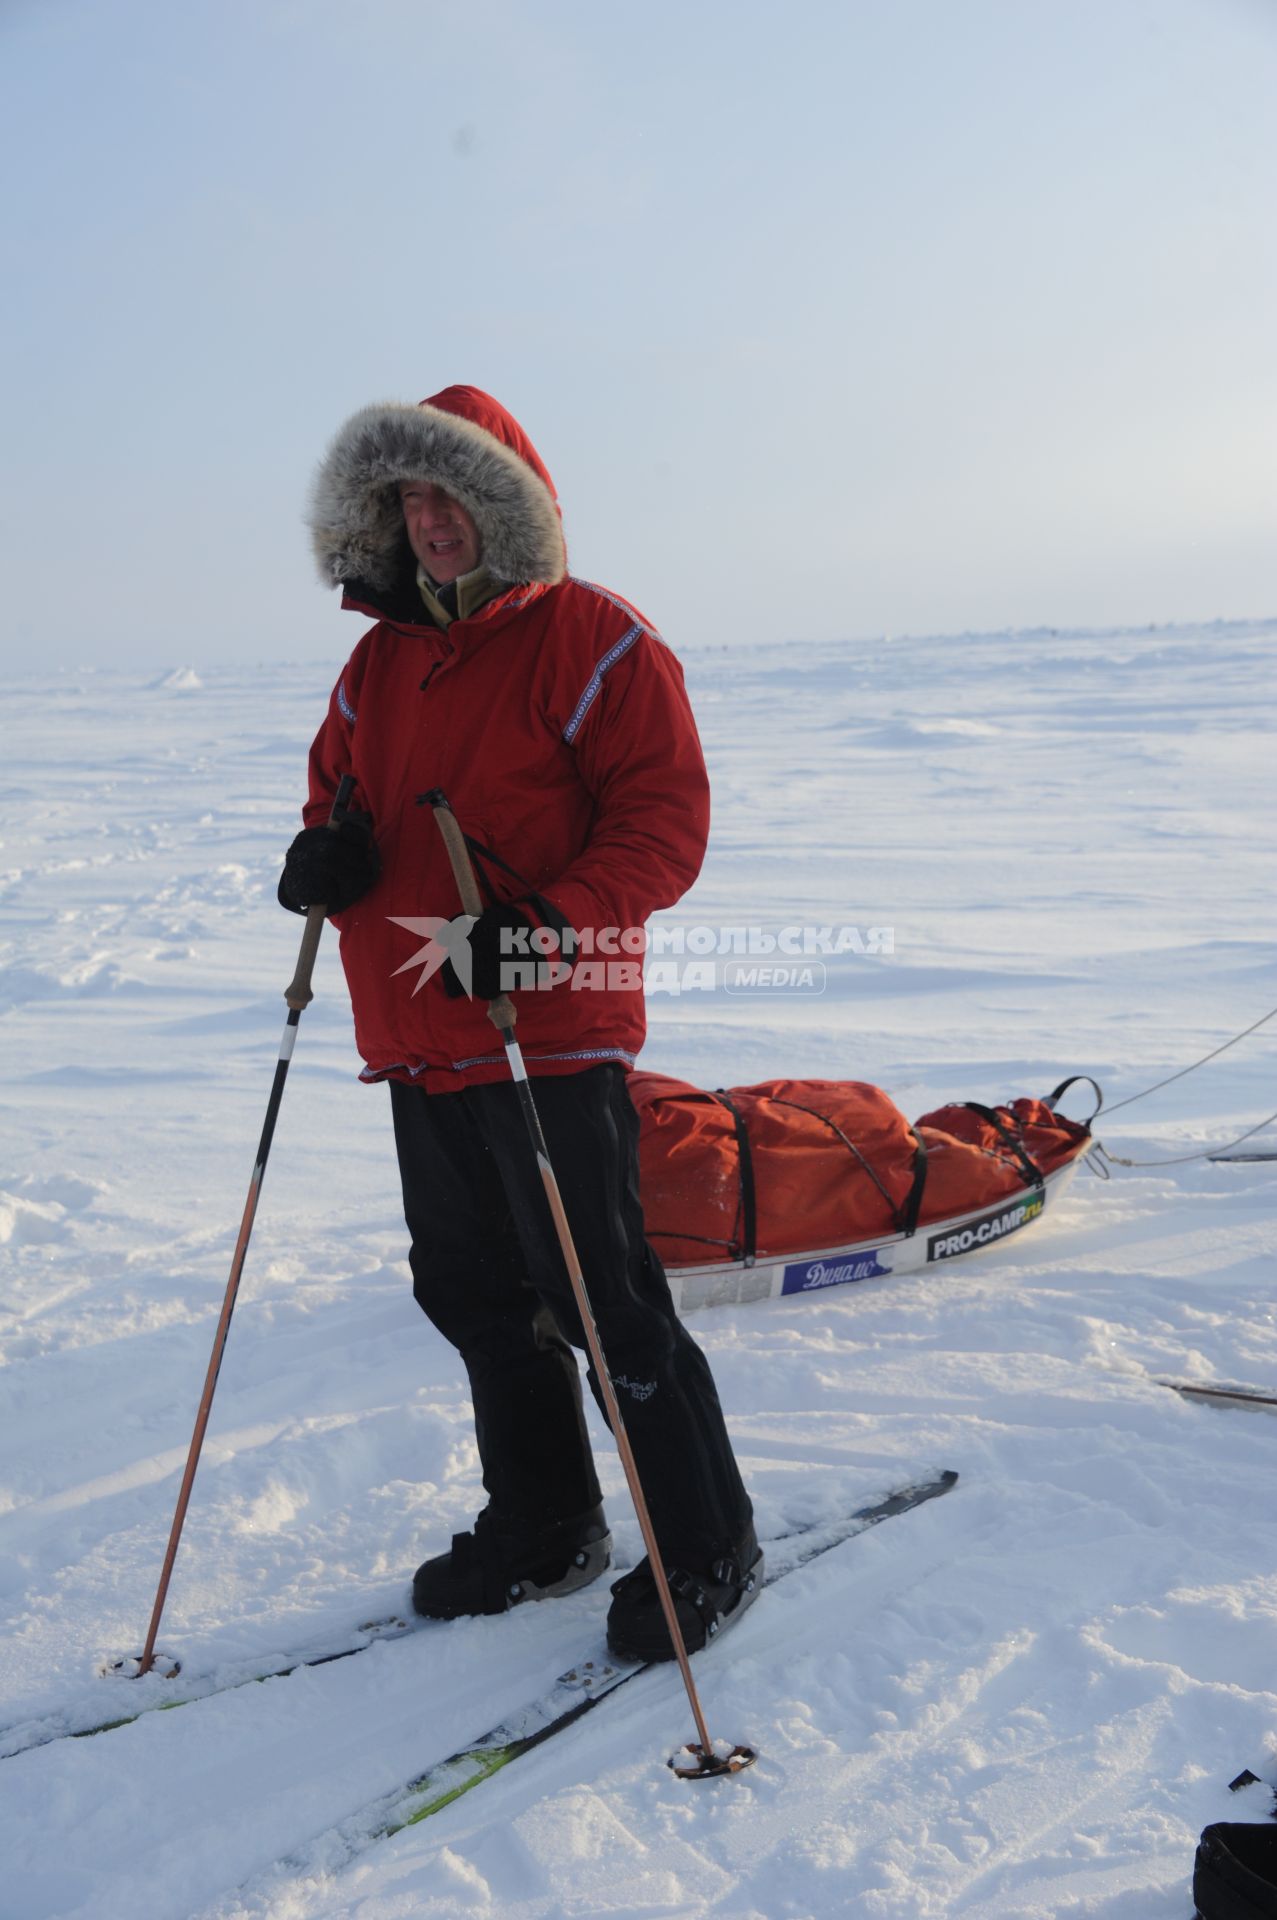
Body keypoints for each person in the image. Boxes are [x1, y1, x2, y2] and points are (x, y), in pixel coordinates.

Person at [280, 385, 757, 1662]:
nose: (431, 522)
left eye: (453, 496)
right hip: (418, 1026)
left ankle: (706, 1541)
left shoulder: (596, 639)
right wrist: (327, 853)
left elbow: (661, 825)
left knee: (601, 1299)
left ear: (507, 505)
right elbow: (341, 789)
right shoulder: (377, 660)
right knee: (475, 1293)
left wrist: (547, 924)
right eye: (410, 500)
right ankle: (545, 1525)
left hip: (541, 1021)